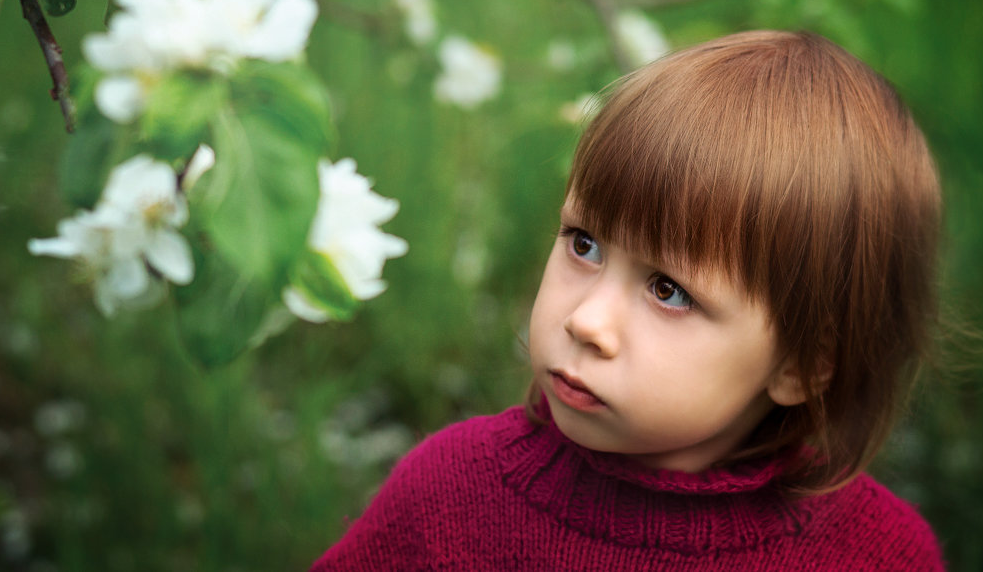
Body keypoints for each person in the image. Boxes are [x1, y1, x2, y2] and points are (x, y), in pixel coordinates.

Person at [311, 30, 945, 570]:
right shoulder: (452, 498)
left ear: (803, 365)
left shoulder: (878, 553)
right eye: (584, 246)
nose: (585, 322)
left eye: (668, 291)